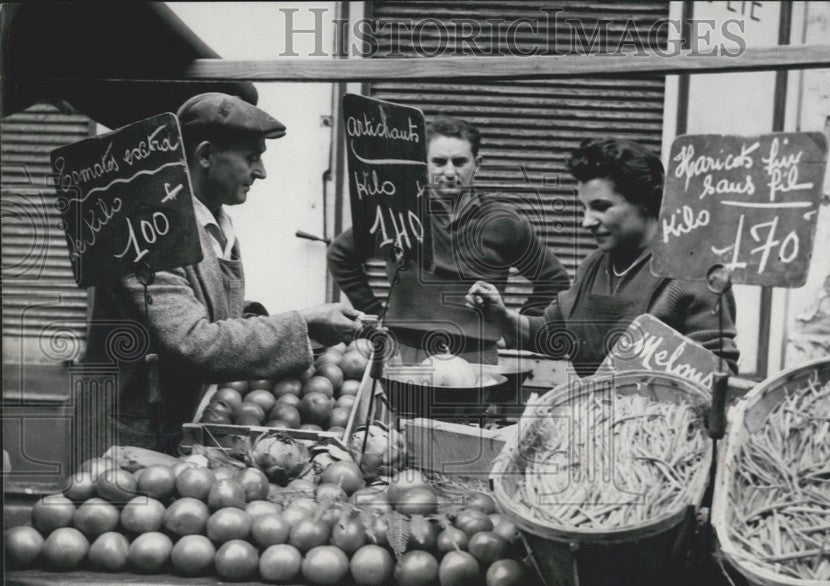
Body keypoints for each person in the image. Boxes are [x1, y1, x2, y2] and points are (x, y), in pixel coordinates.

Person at [78, 93, 363, 457]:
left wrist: (281, 322)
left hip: (178, 428)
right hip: (128, 437)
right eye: (251, 158)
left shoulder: (214, 226)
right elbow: (192, 342)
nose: (261, 172)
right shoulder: (147, 234)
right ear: (206, 155)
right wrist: (302, 325)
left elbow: (207, 312)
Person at [465, 138, 739, 378]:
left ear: (644, 201)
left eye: (601, 207)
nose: (586, 222)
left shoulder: (694, 270)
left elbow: (715, 374)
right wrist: (501, 316)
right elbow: (550, 333)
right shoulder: (594, 265)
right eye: (584, 208)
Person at [327, 114, 569, 365]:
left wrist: (514, 325)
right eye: (440, 162)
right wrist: (375, 314)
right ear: (424, 164)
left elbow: (554, 279)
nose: (450, 172)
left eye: (460, 161)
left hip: (476, 354)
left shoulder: (503, 222)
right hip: (404, 350)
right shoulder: (398, 211)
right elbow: (340, 255)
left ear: (478, 164)